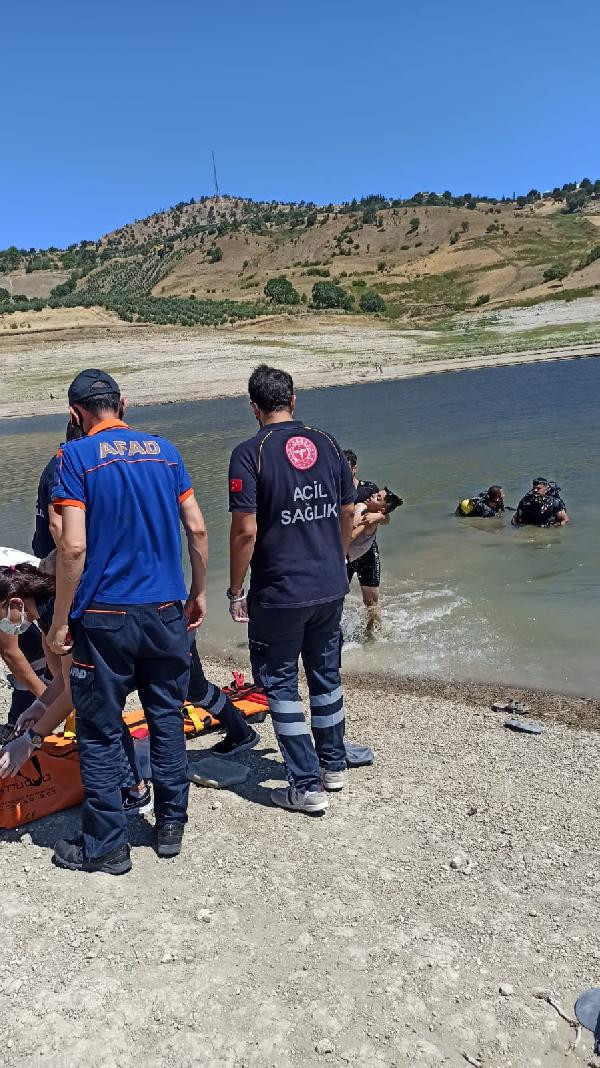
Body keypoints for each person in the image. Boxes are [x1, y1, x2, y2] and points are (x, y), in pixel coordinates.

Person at [43, 368, 208, 875]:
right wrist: (198, 593)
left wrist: (60, 620)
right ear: (124, 404)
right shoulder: (166, 451)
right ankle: (170, 825)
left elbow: (72, 545)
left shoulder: (72, 459)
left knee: (98, 731)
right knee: (165, 720)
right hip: (164, 612)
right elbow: (197, 529)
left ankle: (108, 846)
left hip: (105, 616)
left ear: (75, 414)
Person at [228, 364, 355, 815]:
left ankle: (305, 784)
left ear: (254, 408)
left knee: (280, 684)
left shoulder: (250, 452)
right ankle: (333, 765)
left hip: (280, 592)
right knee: (325, 677)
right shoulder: (328, 442)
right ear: (294, 400)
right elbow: (347, 513)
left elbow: (245, 532)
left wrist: (234, 589)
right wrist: (336, 561)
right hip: (330, 584)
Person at [0, 563, 150, 812]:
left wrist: (31, 740)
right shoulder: (46, 612)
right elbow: (65, 678)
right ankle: (131, 786)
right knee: (93, 707)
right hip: (112, 657)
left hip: (131, 658)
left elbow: (73, 691)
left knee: (96, 711)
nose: (4, 627)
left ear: (16, 604)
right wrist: (41, 705)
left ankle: (137, 792)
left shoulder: (57, 613)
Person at [347, 483, 402, 629]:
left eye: (377, 497)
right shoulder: (360, 504)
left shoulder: (373, 518)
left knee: (370, 602)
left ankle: (375, 632)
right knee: (336, 598)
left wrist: (378, 516)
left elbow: (387, 518)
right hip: (346, 557)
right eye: (375, 494)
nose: (372, 495)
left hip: (366, 556)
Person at [32, 422, 83, 559]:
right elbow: (56, 525)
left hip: (45, 550)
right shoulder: (64, 468)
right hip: (54, 559)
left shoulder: (59, 462)